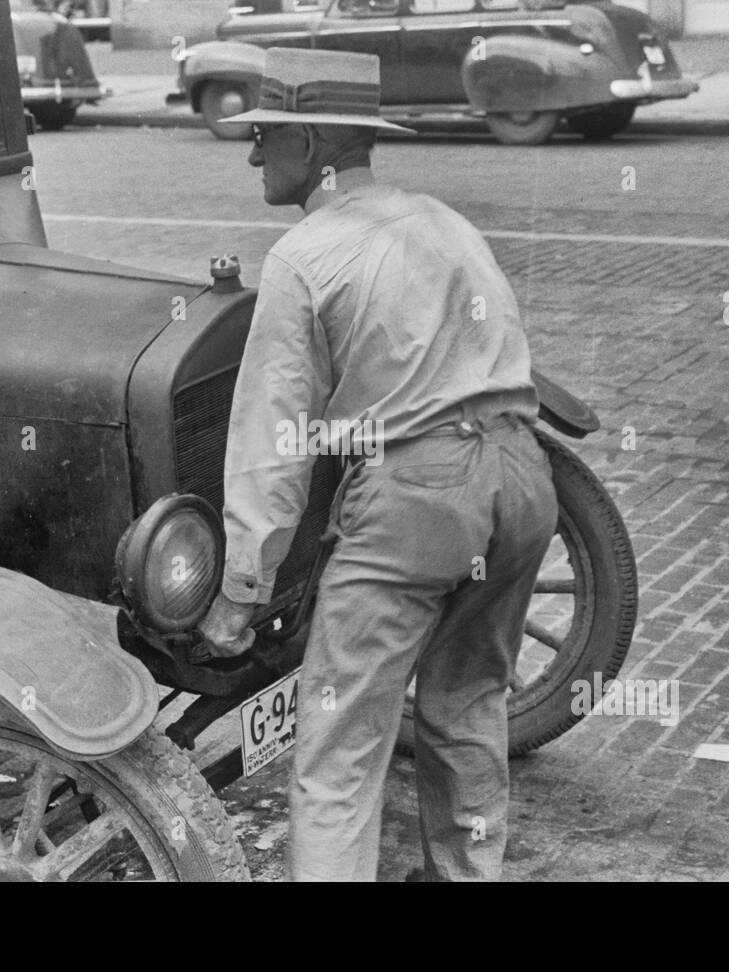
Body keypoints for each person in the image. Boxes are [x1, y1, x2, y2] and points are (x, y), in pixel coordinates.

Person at [195, 47, 557, 882]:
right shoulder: (442, 219)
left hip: (419, 503)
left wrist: (242, 592)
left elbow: (271, 443)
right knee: (468, 704)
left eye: (264, 135)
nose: (252, 154)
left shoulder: (304, 256)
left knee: (338, 748)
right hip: (524, 480)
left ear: (314, 140)